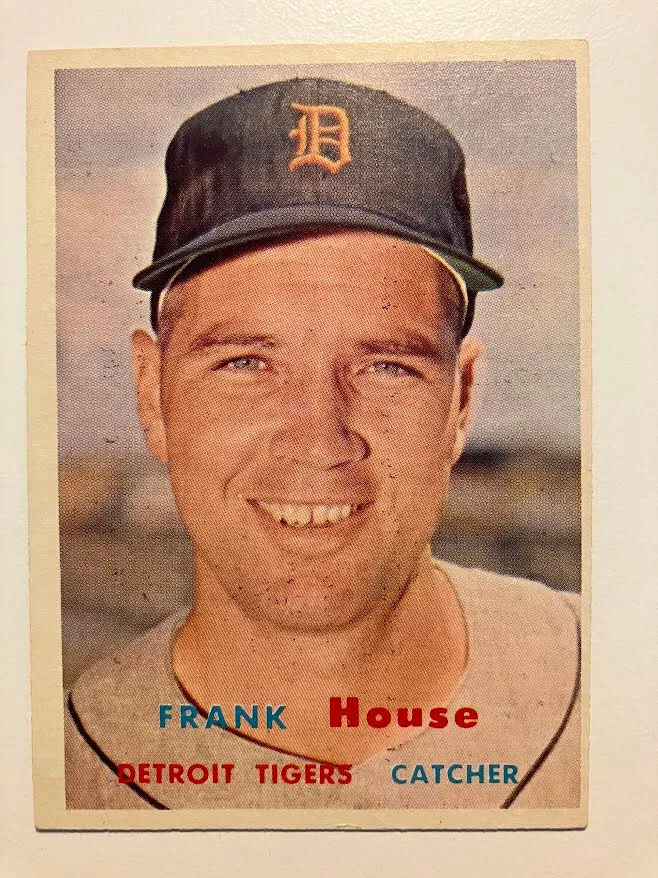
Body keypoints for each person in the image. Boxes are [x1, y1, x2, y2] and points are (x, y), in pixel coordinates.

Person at [64, 78, 581, 811]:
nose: (319, 442)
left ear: (460, 400)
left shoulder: (620, 690)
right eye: (246, 362)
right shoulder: (55, 775)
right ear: (153, 394)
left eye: (386, 367)